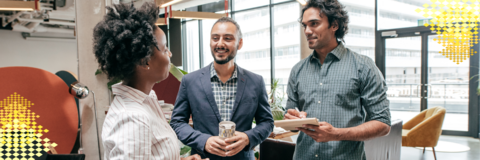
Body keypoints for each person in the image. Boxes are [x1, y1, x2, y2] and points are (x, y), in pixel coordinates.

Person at [94, 2, 207, 160]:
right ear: (144, 61)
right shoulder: (133, 118)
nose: (170, 54)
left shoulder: (147, 100)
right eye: (165, 48)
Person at [283, 0, 391, 160]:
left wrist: (336, 134)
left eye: (314, 23)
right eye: (305, 25)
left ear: (334, 25)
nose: (307, 31)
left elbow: (382, 124)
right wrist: (292, 119)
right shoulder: (298, 70)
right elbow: (290, 119)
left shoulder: (363, 66)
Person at [170, 17, 274, 160]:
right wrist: (203, 140)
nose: (220, 43)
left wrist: (247, 137)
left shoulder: (256, 82)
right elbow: (178, 122)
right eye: (215, 38)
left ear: (240, 43)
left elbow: (267, 122)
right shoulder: (190, 81)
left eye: (228, 38)